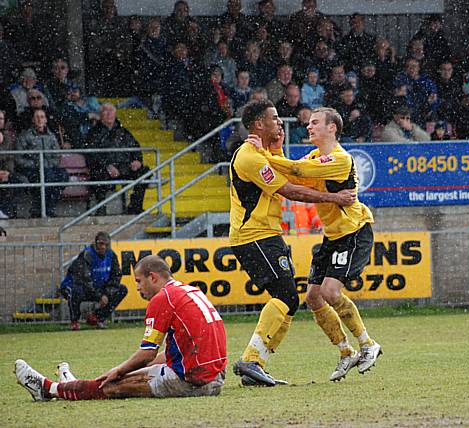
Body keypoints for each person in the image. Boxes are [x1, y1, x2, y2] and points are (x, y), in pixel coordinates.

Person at [229, 99, 356, 386]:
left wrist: (276, 149)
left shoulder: (262, 153)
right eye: (274, 119)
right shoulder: (249, 156)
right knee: (286, 295)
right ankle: (251, 360)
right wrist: (335, 197)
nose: (279, 123)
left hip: (266, 234)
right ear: (259, 124)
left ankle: (255, 366)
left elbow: (281, 174)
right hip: (254, 236)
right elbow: (290, 190)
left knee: (290, 299)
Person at [249, 106, 382, 382]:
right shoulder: (315, 156)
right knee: (312, 297)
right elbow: (294, 177)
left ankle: (368, 344)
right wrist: (275, 150)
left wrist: (261, 155)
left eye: (315, 123)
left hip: (353, 232)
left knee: (331, 292)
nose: (309, 127)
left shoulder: (340, 159)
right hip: (332, 236)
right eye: (309, 124)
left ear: (332, 128)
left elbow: (299, 169)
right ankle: (346, 351)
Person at [15, 255, 227, 401]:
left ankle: (49, 389)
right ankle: (71, 385)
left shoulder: (163, 299)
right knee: (124, 376)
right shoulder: (190, 291)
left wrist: (119, 370)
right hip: (215, 378)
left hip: (194, 382)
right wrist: (126, 370)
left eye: (139, 281)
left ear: (152, 277)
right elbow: (178, 352)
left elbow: (147, 353)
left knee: (110, 387)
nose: (137, 287)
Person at [84, 103, 149, 215]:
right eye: (106, 111)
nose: (109, 114)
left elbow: (135, 148)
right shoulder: (93, 133)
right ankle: (101, 208)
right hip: (104, 169)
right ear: (100, 114)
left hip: (124, 167)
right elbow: (92, 155)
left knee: (144, 172)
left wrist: (137, 160)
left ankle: (135, 206)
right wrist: (107, 166)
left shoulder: (124, 132)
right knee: (99, 174)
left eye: (111, 110)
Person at [59, 232, 128, 331]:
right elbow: (84, 279)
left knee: (122, 289)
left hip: (97, 288)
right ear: (95, 243)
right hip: (77, 286)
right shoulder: (87, 255)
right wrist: (100, 296)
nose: (103, 247)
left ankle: (97, 317)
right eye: (101, 244)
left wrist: (107, 294)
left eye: (106, 244)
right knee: (74, 291)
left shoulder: (111, 255)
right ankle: (74, 321)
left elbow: (116, 277)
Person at [15, 108, 68, 217]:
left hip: (50, 169)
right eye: (37, 117)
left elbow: (57, 155)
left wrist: (48, 165)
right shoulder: (25, 136)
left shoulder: (51, 136)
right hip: (32, 170)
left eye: (42, 117)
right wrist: (36, 164)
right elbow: (19, 158)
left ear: (46, 120)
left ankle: (48, 208)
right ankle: (41, 210)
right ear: (33, 120)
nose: (40, 119)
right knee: (47, 177)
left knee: (63, 176)